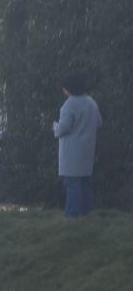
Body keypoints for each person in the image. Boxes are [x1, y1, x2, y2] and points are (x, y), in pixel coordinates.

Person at [54, 72, 103, 218]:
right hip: (87, 149)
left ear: (68, 88)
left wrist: (56, 127)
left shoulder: (69, 104)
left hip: (71, 151)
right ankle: (87, 214)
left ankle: (73, 215)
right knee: (85, 183)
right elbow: (99, 122)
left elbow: (64, 128)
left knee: (72, 184)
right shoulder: (91, 102)